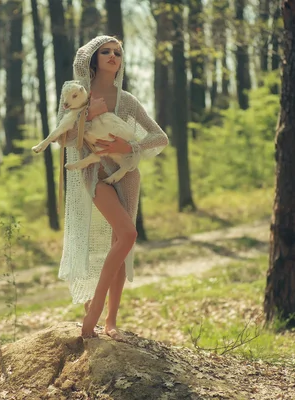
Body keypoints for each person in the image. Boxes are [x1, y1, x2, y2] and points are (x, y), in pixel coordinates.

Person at [56, 35, 169, 340]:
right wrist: (88, 117)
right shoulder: (78, 94)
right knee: (128, 235)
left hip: (126, 175)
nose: (112, 56)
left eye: (117, 52)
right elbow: (63, 140)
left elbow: (159, 138)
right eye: (105, 52)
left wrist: (127, 145)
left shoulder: (128, 101)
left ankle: (111, 321)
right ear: (92, 59)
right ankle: (92, 311)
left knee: (121, 241)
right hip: (94, 175)